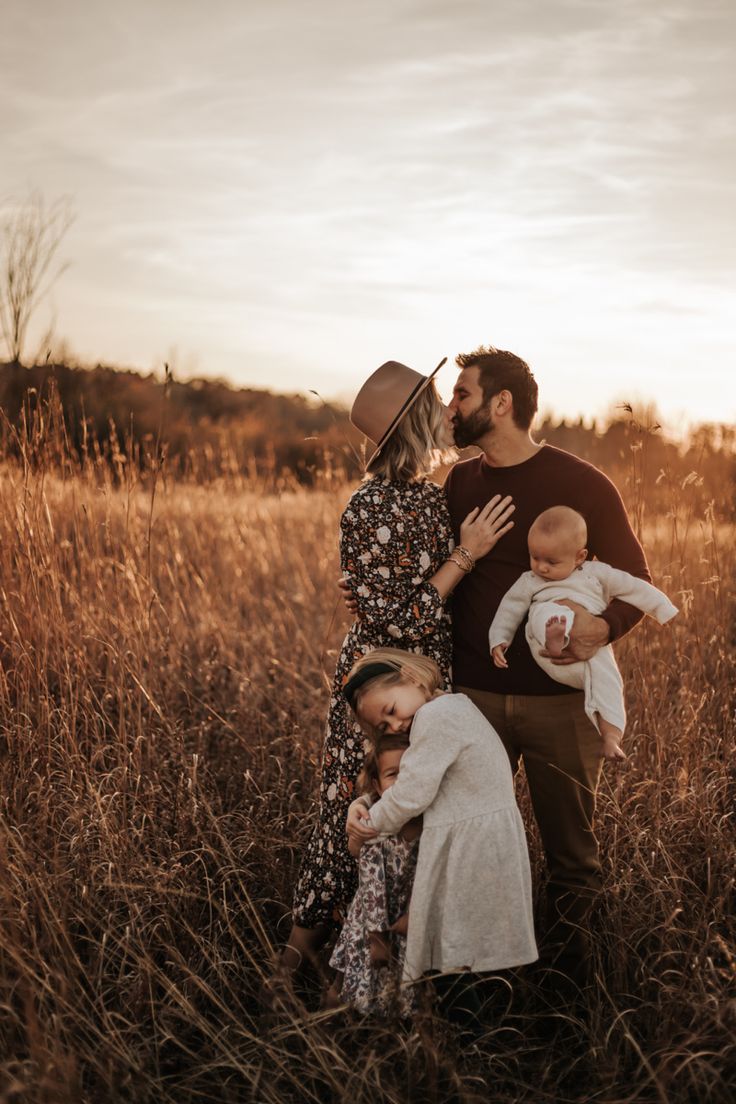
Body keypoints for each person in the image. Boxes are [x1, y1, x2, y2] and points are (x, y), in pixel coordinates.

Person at [273, 357, 515, 987]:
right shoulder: (368, 505)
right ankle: (291, 964)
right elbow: (398, 619)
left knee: (418, 815)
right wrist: (466, 554)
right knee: (348, 810)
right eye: (435, 401)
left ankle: (396, 967)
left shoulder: (432, 497)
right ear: (413, 421)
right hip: (380, 688)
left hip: (428, 687)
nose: (447, 410)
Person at [444, 345, 655, 988]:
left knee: (572, 859)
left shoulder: (583, 484)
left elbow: (635, 581)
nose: (451, 407)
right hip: (475, 699)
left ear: (500, 403)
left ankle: (570, 999)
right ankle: (478, 986)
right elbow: (441, 579)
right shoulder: (458, 483)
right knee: (469, 845)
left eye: (462, 395)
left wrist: (603, 626)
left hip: (562, 705)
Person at [344, 647, 538, 1023]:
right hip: (479, 837)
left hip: (471, 846)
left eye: (390, 711)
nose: (396, 726)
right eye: (384, 728)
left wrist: (366, 828)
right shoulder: (453, 707)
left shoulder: (436, 717)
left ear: (412, 679)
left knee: (454, 950)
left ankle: (473, 1039)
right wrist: (366, 801)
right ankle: (491, 1026)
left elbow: (412, 792)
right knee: (471, 947)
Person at [489, 506, 678, 760]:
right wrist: (499, 640)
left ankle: (611, 735)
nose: (541, 568)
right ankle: (556, 636)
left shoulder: (596, 573)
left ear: (580, 557)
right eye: (535, 558)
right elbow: (510, 608)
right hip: (547, 652)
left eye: (551, 562)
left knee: (608, 676)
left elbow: (633, 587)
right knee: (542, 615)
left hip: (588, 651)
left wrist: (663, 609)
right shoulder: (531, 581)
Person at [326, 732, 420, 1016]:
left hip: (410, 918)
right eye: (393, 775)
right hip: (372, 918)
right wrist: (378, 936)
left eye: (410, 772)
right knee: (349, 982)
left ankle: (389, 1038)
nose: (402, 782)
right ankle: (327, 1028)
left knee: (398, 985)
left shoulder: (430, 820)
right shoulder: (376, 824)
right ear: (377, 787)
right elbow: (372, 883)